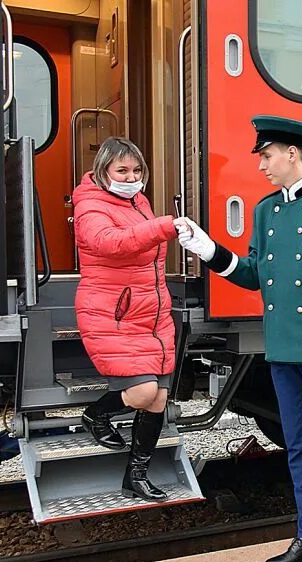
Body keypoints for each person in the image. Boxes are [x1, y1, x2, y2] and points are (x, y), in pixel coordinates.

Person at [175, 115, 302, 562]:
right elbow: (251, 274)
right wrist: (208, 250)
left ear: (292, 153)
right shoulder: (267, 212)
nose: (262, 165)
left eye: (267, 156)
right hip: (283, 345)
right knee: (298, 444)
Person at [72, 136, 180, 501]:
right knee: (142, 392)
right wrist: (165, 227)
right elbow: (110, 243)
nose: (131, 176)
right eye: (122, 170)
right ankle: (95, 415)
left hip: (150, 314)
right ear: (103, 171)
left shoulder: (139, 201)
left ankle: (136, 476)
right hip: (113, 314)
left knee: (159, 398)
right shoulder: (89, 205)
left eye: (136, 170)